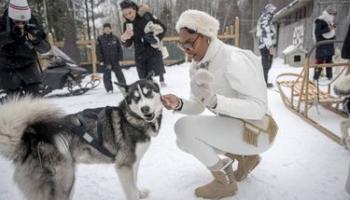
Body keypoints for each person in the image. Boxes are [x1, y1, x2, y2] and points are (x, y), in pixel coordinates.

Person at [161, 10, 278, 199]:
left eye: (190, 43)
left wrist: (216, 102)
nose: (186, 49)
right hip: (237, 127)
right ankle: (246, 158)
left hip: (259, 131)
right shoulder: (197, 65)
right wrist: (179, 103)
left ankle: (224, 182)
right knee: (183, 141)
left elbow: (258, 108)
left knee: (183, 128)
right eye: (181, 45)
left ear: (207, 36)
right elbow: (198, 106)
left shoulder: (234, 58)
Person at [0, 0, 50, 97]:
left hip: (29, 69)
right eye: (17, 21)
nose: (21, 24)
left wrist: (37, 40)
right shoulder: (2, 23)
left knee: (35, 102)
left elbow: (45, 49)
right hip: (7, 70)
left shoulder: (33, 23)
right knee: (14, 103)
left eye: (24, 22)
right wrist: (11, 35)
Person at [119, 0, 167, 86]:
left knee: (152, 79)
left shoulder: (146, 16)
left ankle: (161, 82)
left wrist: (155, 38)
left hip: (152, 52)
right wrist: (124, 39)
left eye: (130, 12)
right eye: (125, 14)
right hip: (140, 56)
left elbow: (163, 28)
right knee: (144, 82)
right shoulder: (127, 24)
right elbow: (128, 44)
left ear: (135, 9)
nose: (128, 16)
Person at [96, 22, 126, 93]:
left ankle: (123, 87)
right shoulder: (100, 39)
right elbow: (98, 50)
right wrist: (100, 60)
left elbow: (119, 49)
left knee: (120, 75)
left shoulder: (115, 38)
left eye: (108, 29)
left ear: (111, 29)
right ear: (103, 30)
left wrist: (120, 59)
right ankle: (109, 89)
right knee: (107, 76)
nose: (107, 30)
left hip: (115, 60)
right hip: (106, 61)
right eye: (105, 29)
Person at [313, 6, 337, 81]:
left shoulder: (330, 21)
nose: (333, 15)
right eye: (332, 14)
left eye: (334, 14)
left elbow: (332, 32)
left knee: (329, 61)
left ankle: (329, 77)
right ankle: (316, 77)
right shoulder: (320, 20)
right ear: (329, 13)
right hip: (322, 44)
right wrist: (329, 29)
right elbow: (317, 32)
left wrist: (333, 30)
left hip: (329, 44)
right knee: (320, 62)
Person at [256, 3, 277, 88]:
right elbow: (265, 33)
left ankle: (264, 81)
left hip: (269, 45)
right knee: (266, 64)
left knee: (269, 63)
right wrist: (270, 46)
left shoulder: (267, 20)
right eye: (272, 12)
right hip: (266, 45)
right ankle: (264, 83)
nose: (273, 14)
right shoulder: (264, 18)